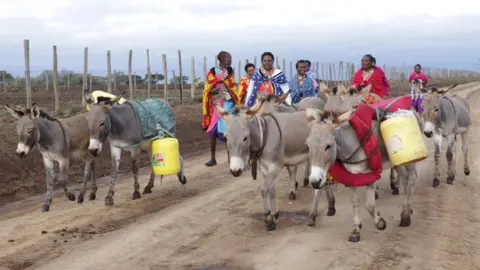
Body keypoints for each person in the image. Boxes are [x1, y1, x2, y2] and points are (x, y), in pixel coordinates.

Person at [202, 51, 240, 167]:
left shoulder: (230, 71)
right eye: (229, 59)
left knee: (228, 131)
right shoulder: (213, 70)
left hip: (228, 102)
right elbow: (209, 85)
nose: (230, 61)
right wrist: (214, 88)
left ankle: (230, 158)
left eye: (231, 59)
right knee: (212, 131)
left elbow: (232, 85)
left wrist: (222, 84)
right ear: (222, 59)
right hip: (216, 104)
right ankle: (213, 158)